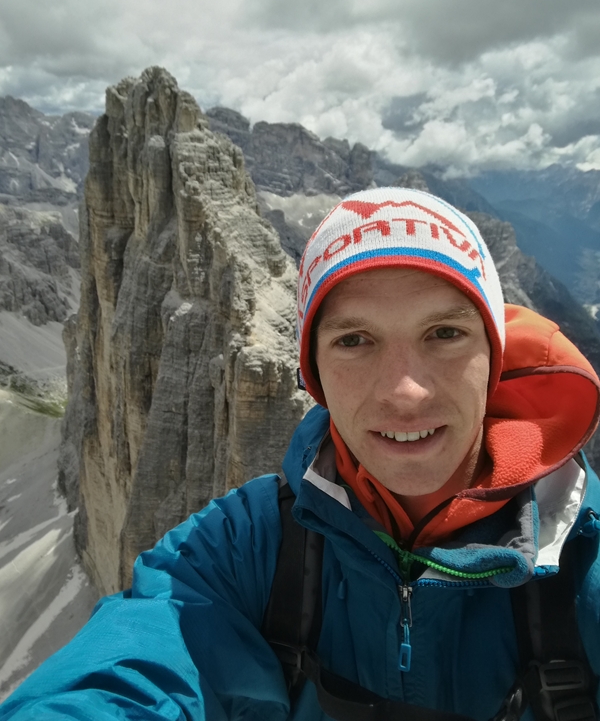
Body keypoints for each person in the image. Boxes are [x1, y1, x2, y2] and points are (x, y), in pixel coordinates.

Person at [2, 186, 600, 721]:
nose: (405, 391)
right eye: (354, 341)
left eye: (444, 334)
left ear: (494, 358)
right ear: (313, 374)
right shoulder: (244, 546)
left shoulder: (585, 552)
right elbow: (131, 669)